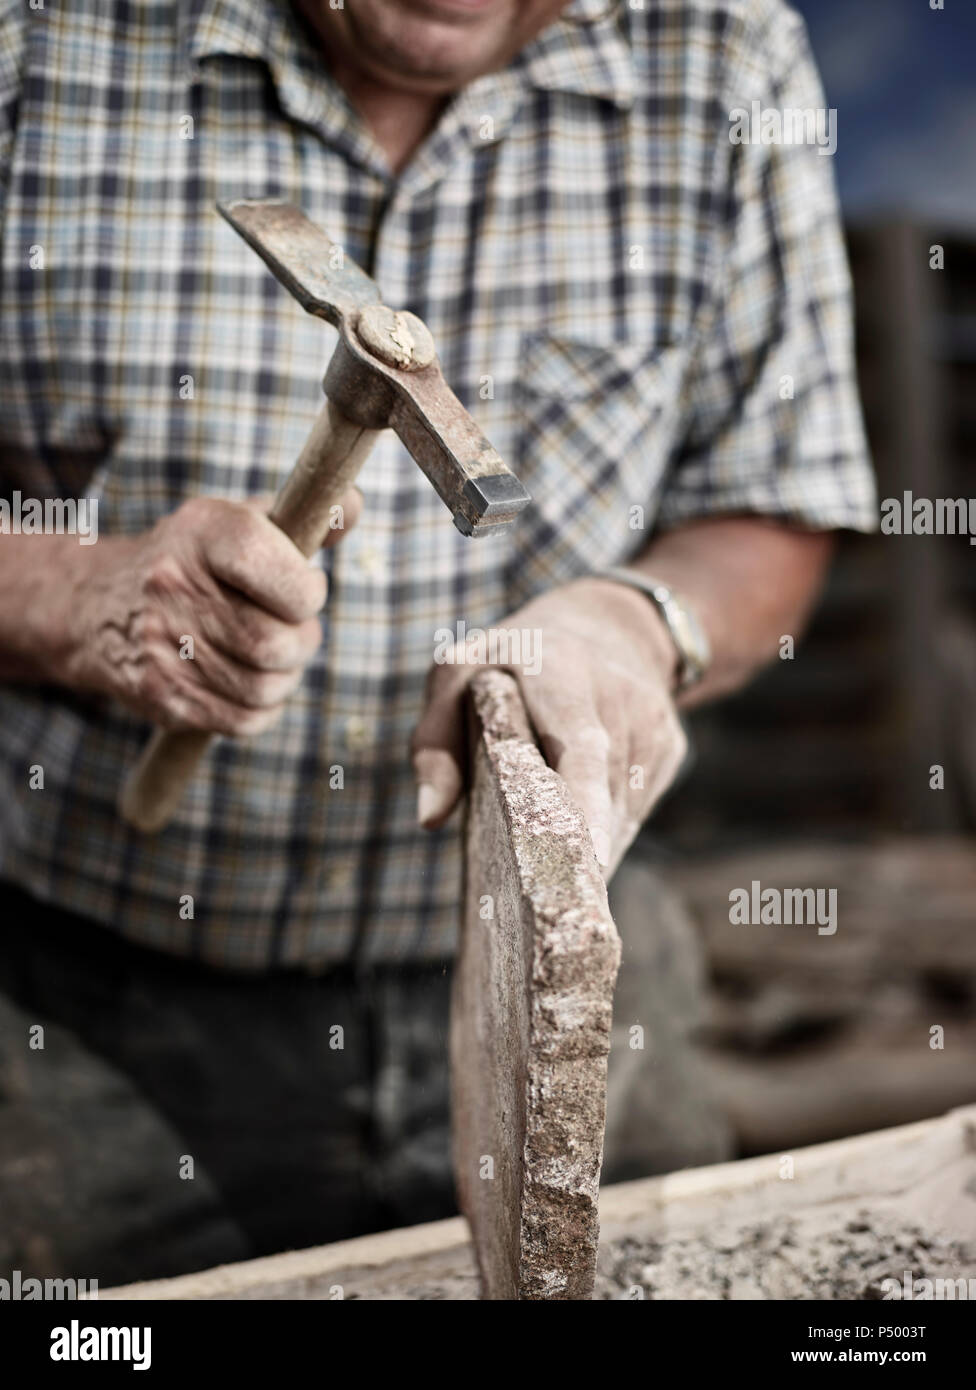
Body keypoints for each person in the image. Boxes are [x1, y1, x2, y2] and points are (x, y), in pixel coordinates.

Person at [0, 0, 875, 1286]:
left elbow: (776, 502)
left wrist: (629, 622)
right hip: (80, 1011)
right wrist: (72, 595)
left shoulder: (724, 50)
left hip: (568, 988)